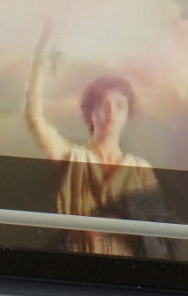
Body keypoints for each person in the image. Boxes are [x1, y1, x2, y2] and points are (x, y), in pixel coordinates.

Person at [25, 25, 172, 258]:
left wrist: (120, 221)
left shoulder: (140, 169)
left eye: (119, 106)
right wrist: (42, 52)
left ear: (128, 114)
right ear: (90, 111)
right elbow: (34, 117)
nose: (111, 113)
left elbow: (160, 234)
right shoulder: (71, 157)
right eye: (103, 105)